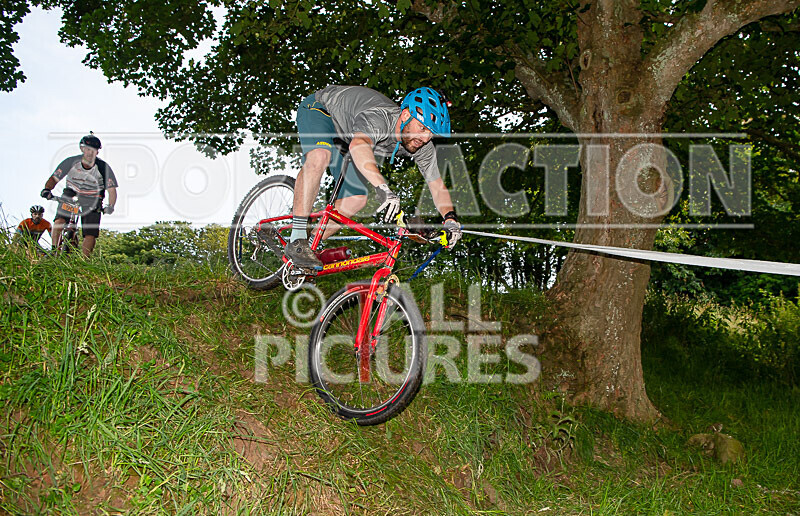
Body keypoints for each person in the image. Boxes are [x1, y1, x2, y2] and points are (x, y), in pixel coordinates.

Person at [287, 85, 462, 269]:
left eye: (430, 133)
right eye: (422, 127)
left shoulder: (422, 146)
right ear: (405, 115)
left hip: (346, 137)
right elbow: (359, 145)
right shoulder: (380, 118)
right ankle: (297, 240)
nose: (425, 138)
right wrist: (382, 187)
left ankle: (310, 245)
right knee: (320, 156)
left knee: (357, 199)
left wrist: (450, 220)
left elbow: (436, 185)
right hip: (322, 111)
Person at [40, 133, 118, 257]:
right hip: (71, 194)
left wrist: (111, 206)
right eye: (87, 149)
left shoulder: (103, 167)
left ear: (97, 152)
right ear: (82, 149)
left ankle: (84, 260)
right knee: (59, 220)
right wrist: (47, 189)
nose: (90, 153)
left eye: (93, 150)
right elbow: (55, 178)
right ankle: (54, 250)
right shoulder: (71, 162)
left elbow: (112, 190)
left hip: (93, 199)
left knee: (90, 232)